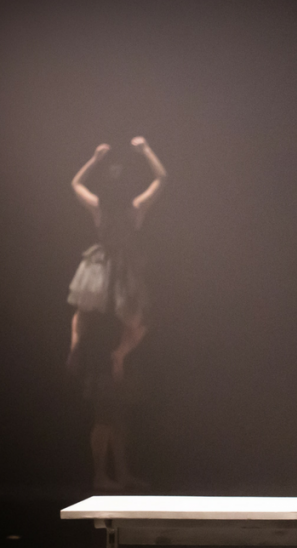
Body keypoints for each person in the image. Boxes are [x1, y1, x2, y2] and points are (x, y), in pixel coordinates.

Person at [66, 137, 167, 490]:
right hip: (103, 332)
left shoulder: (134, 208)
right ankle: (101, 474)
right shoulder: (101, 212)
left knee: (118, 415)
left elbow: (161, 179)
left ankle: (120, 472)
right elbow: (76, 184)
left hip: (120, 300)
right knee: (105, 413)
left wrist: (145, 151)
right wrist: (94, 160)